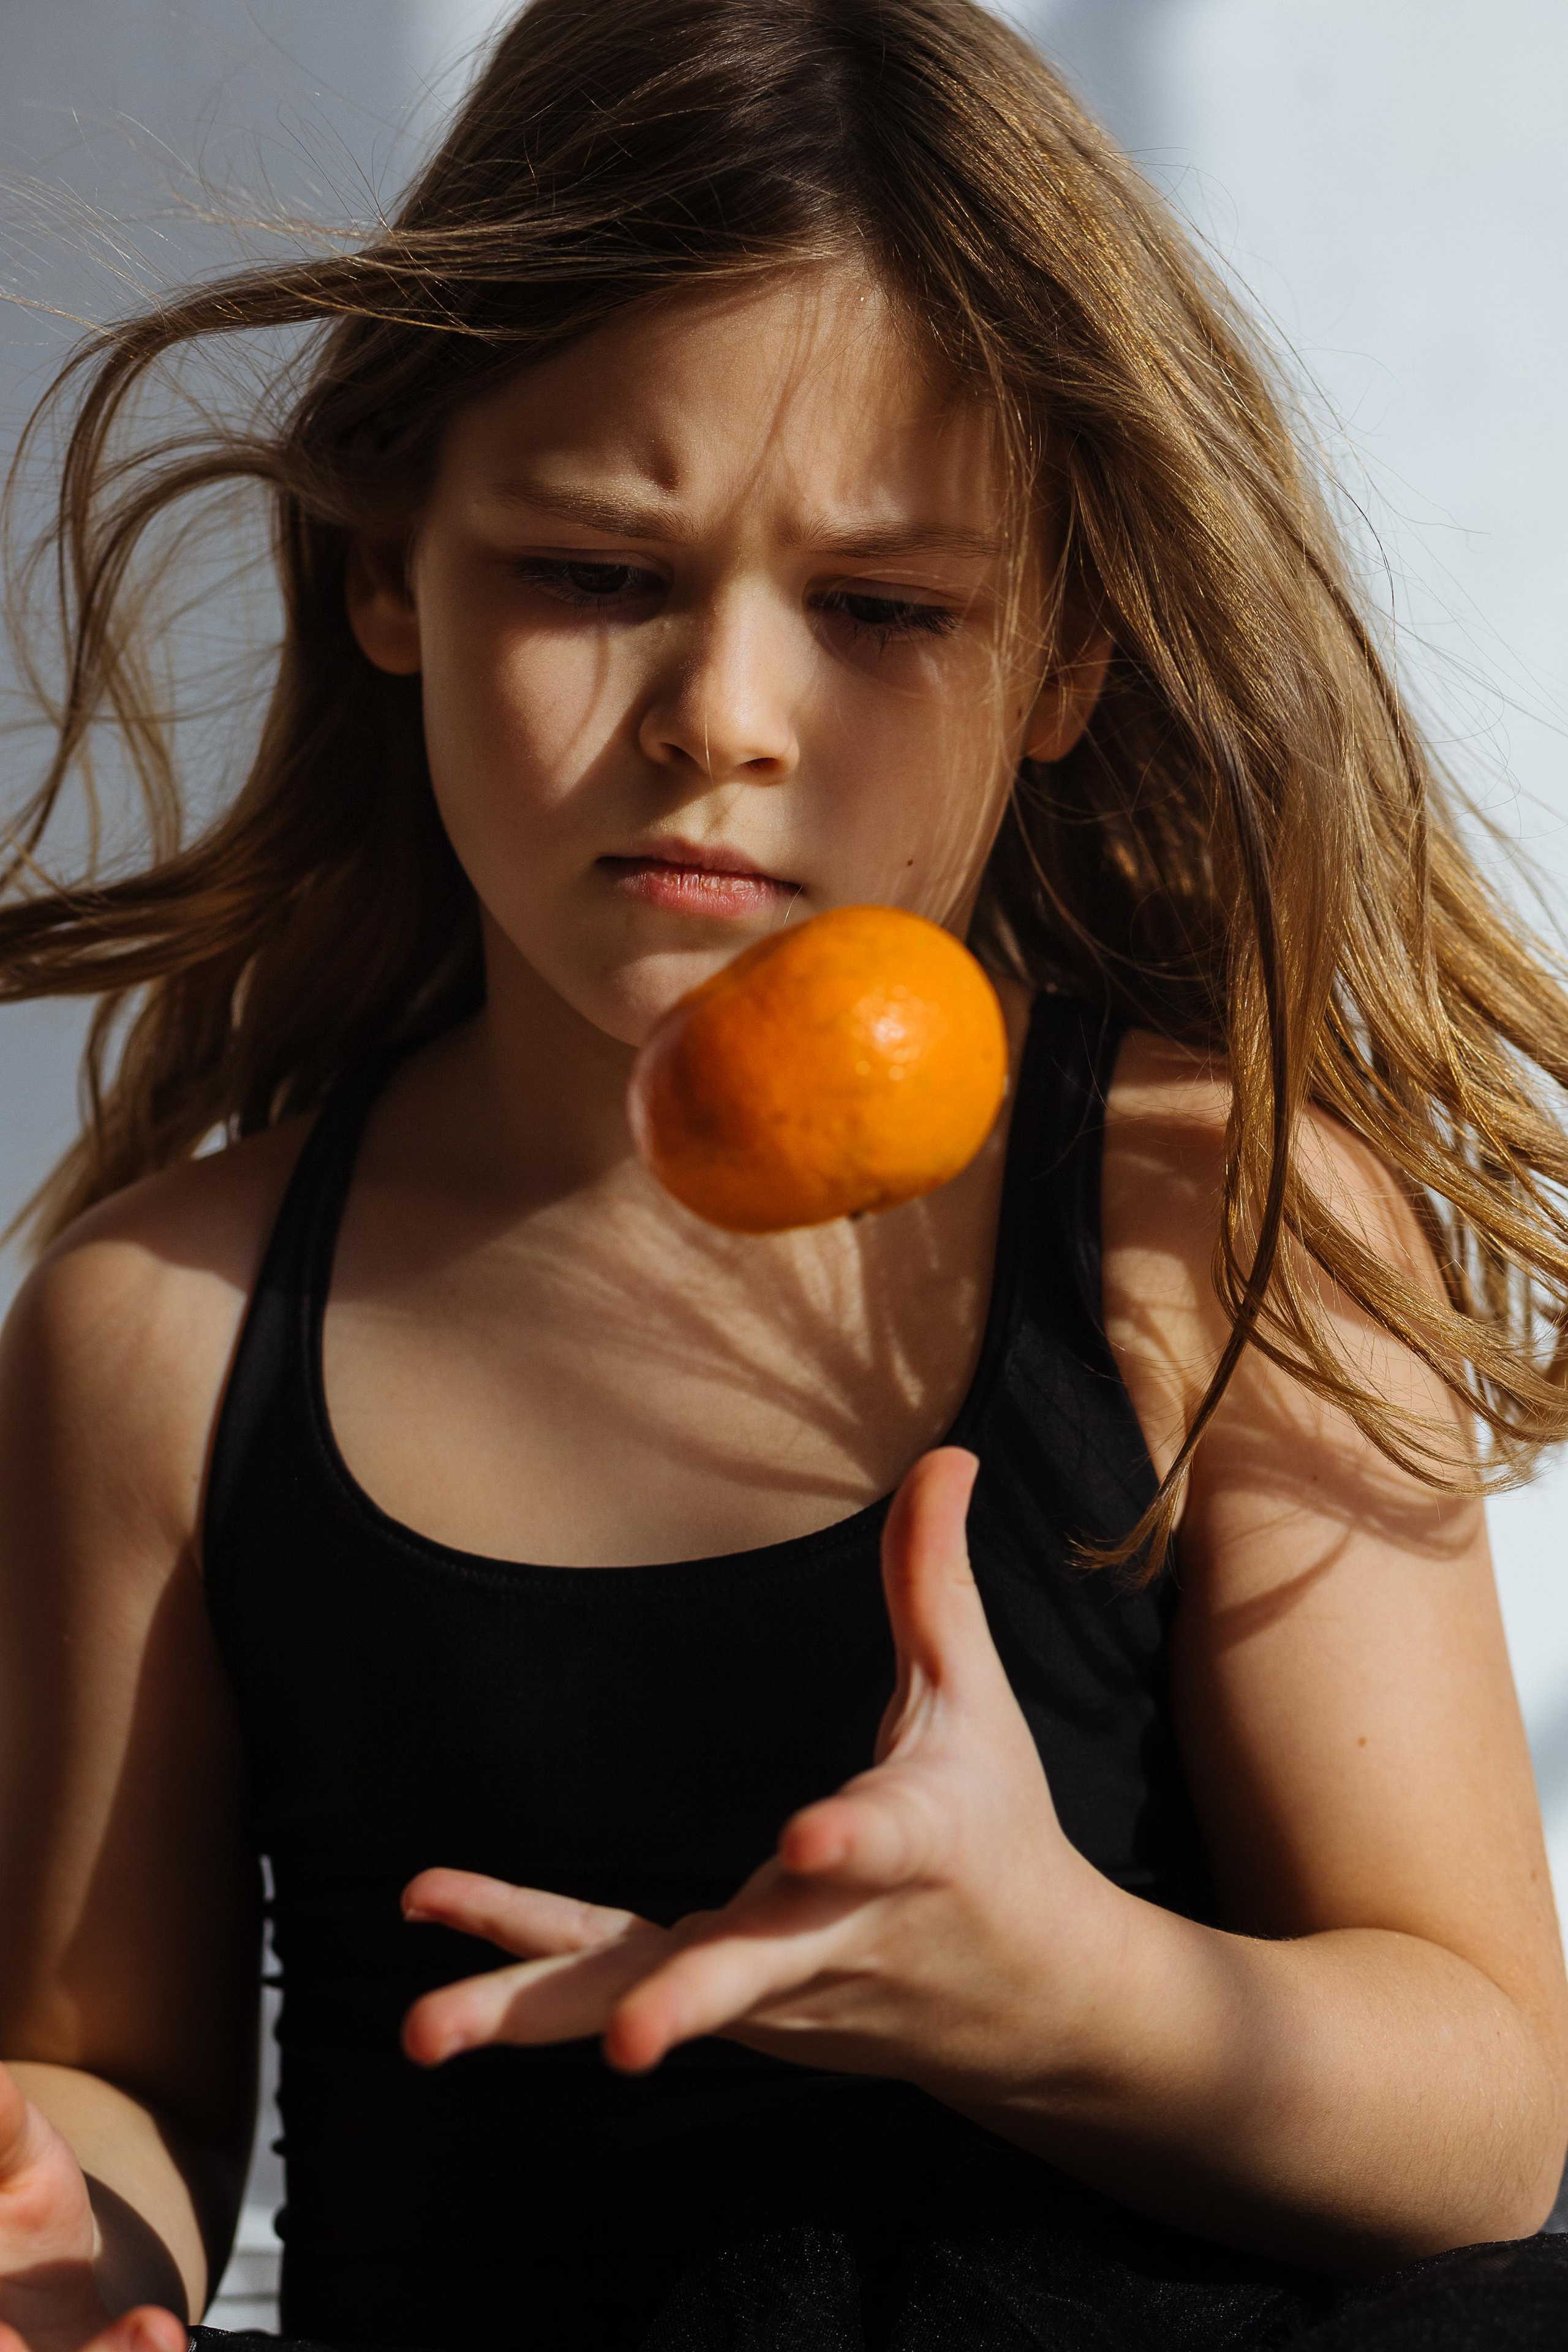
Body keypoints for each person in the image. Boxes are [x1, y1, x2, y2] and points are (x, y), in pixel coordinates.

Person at [1, 0, 1567, 2345]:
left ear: (1066, 662)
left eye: (882, 609)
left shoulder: (1201, 1222)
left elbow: (1491, 2113)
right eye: (596, 572)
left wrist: (1066, 1989)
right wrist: (52, 2246)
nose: (727, 712)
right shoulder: (165, 1332)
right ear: (390, 571)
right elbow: (112, 2086)